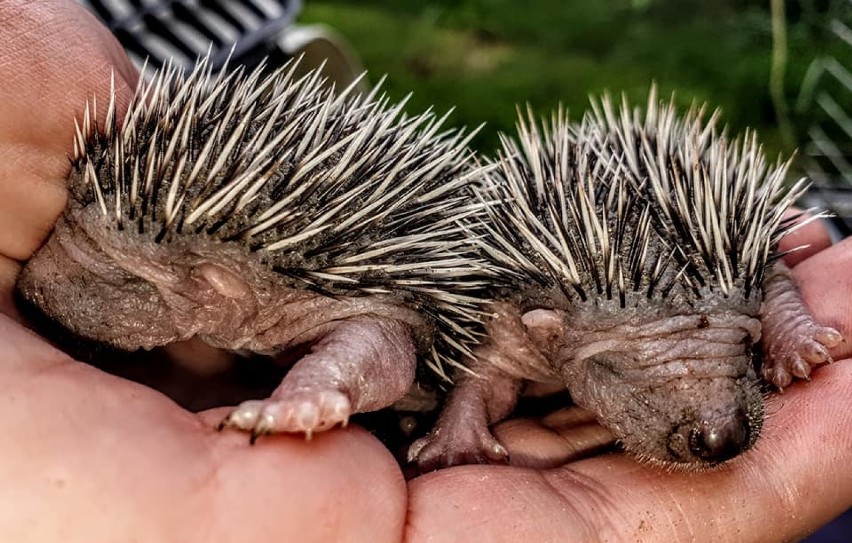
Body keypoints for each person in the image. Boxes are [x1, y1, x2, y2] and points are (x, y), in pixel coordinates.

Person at [0, 1, 849, 541]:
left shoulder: (684, 273)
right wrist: (452, 421)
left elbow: (768, 273)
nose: (715, 425)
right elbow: (476, 356)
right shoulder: (511, 317)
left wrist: (793, 330)